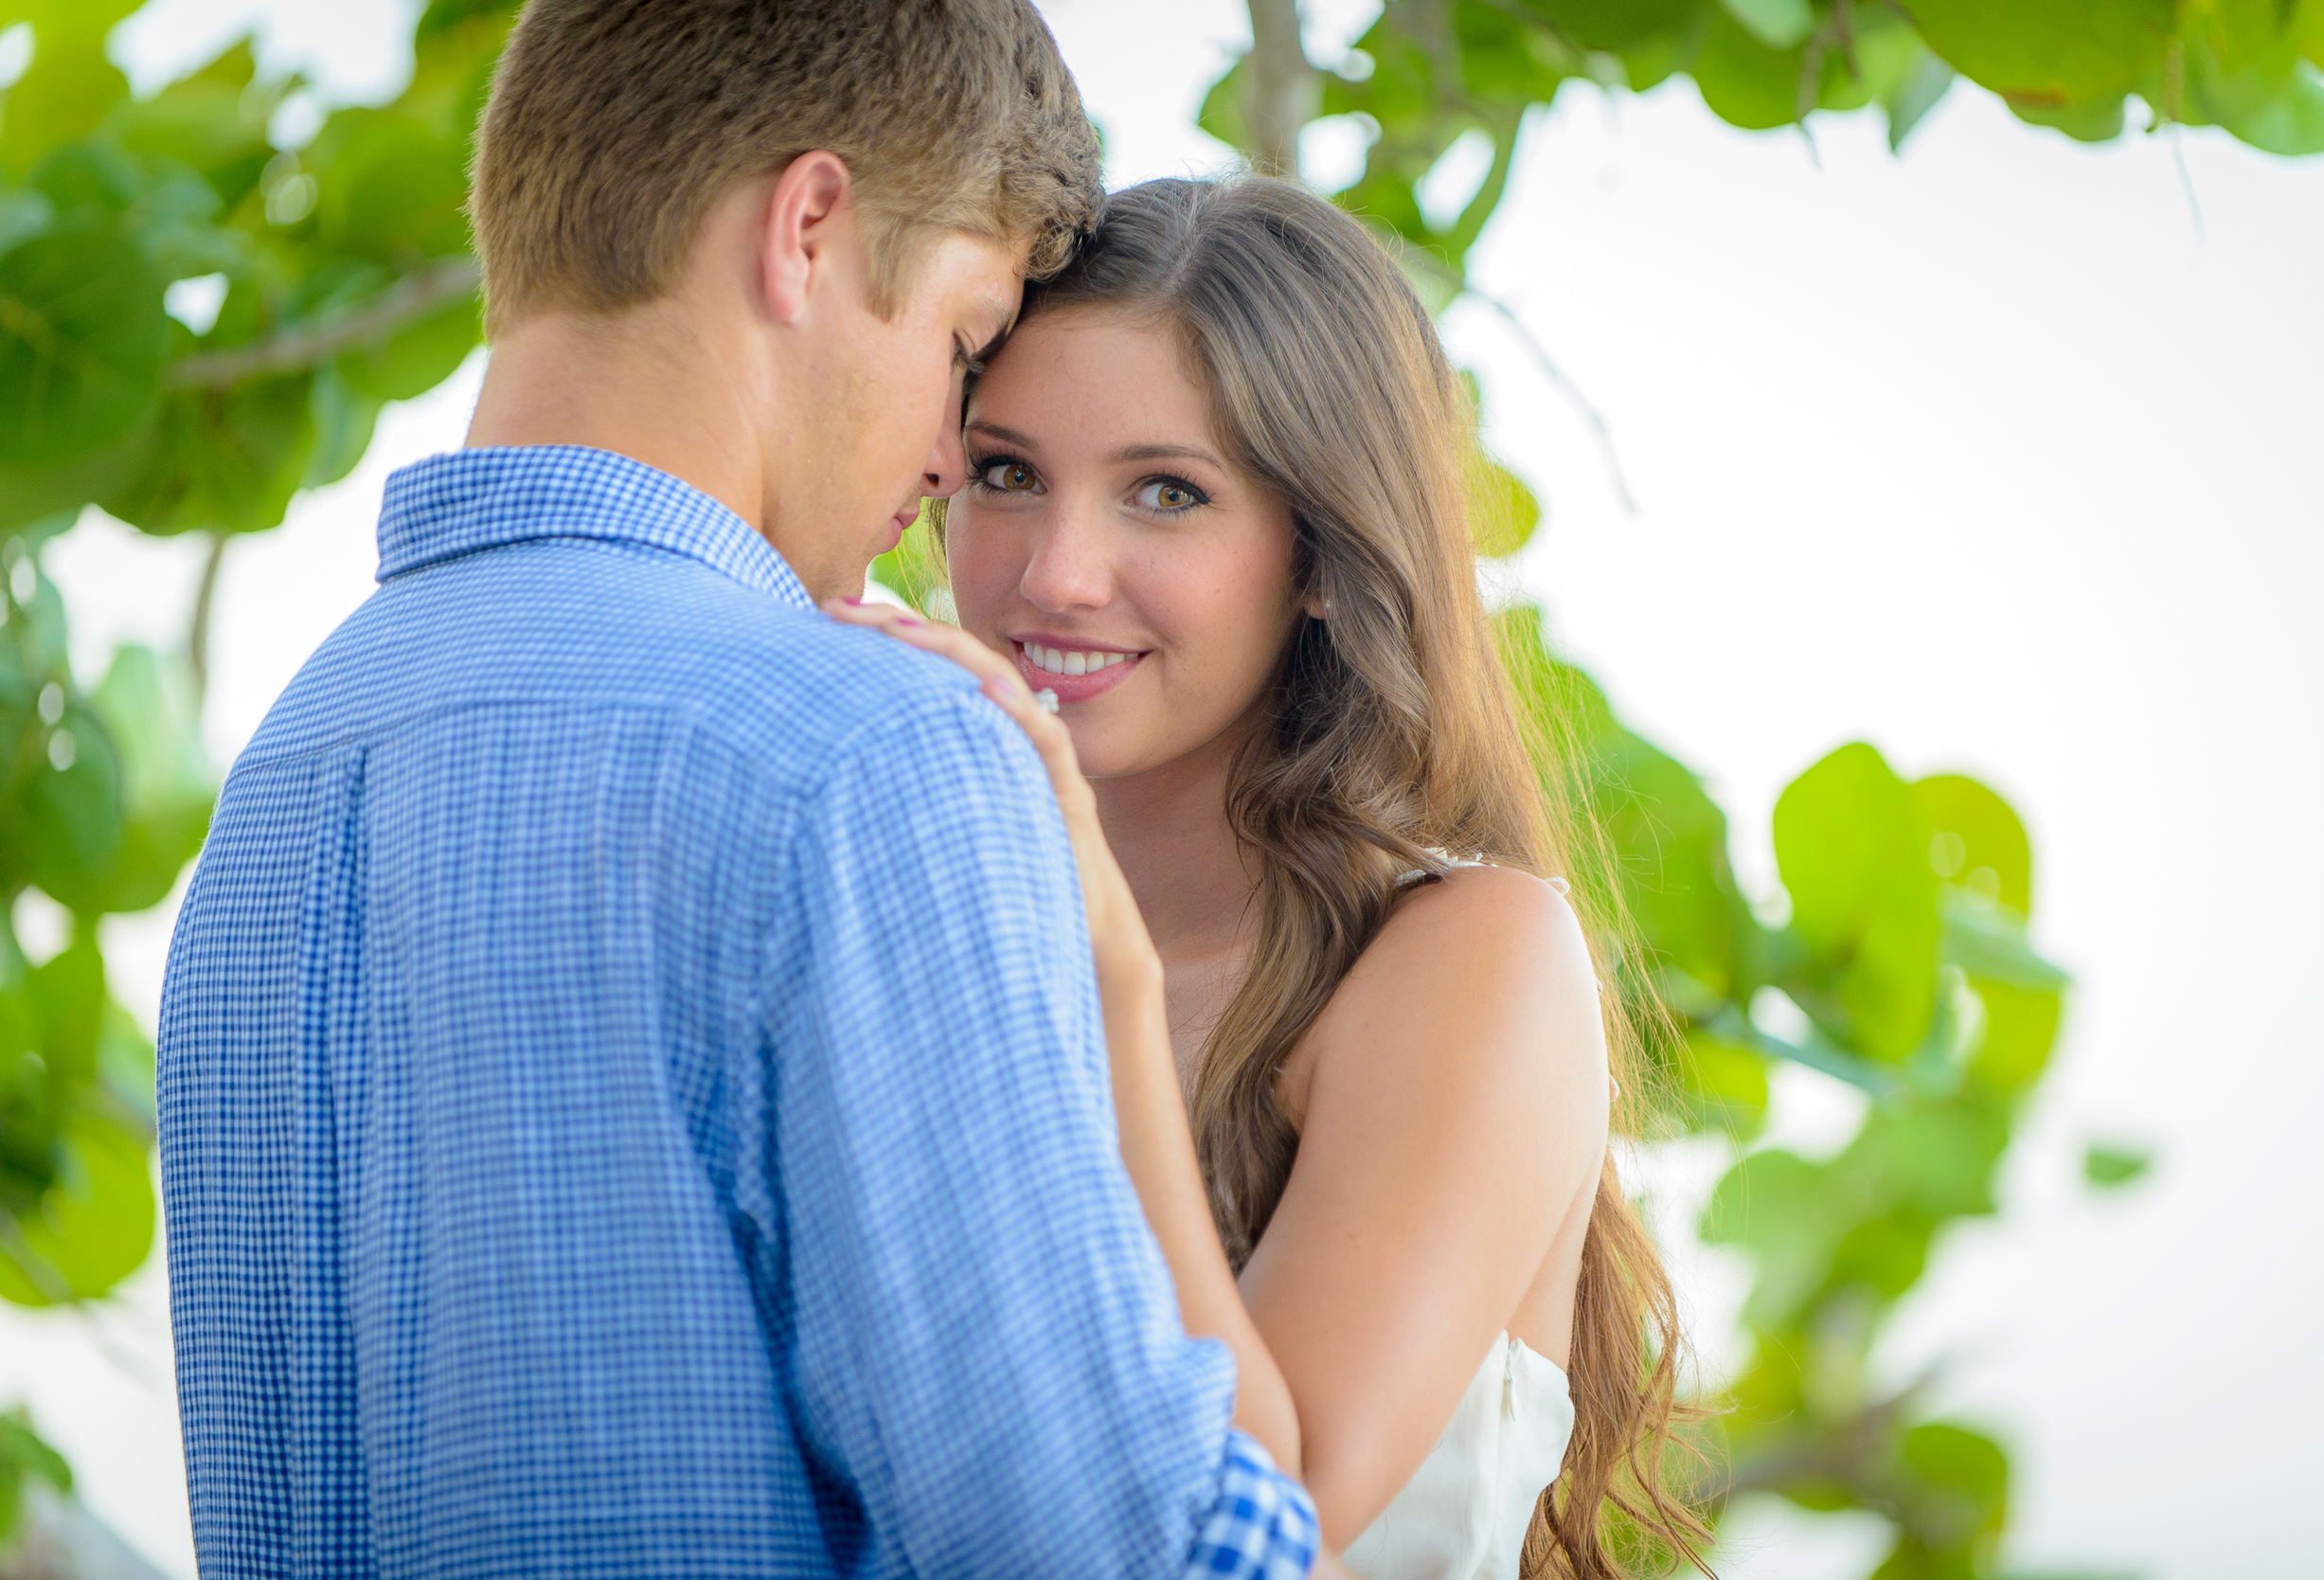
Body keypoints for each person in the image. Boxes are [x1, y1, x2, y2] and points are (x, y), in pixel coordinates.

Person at [155, 8, 1333, 1577]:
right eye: (966, 345)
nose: (943, 453)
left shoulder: (281, 781)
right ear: (810, 228)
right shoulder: (870, 755)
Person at [831, 177, 1715, 1579]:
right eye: (1006, 473)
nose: (1056, 575)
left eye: (1166, 494)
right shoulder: (925, 945)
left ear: (1317, 555)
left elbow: (1262, 1514)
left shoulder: (1466, 955)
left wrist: (1113, 984)